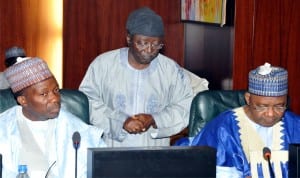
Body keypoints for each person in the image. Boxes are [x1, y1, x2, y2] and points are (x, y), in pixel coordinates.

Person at [79, 7, 194, 147]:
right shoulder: (103, 65)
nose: (149, 50)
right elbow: (86, 101)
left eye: (156, 44)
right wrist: (121, 121)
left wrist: (155, 119)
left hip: (154, 153)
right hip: (111, 150)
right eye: (143, 43)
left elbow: (186, 105)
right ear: (129, 39)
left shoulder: (171, 70)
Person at [185, 62, 300, 178]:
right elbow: (201, 170)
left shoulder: (296, 125)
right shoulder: (223, 129)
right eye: (262, 106)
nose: (271, 114)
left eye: (279, 106)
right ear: (248, 99)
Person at [0, 57, 106, 177]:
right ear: (23, 100)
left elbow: (102, 170)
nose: (55, 98)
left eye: (56, 90)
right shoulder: (3, 129)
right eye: (44, 94)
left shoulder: (80, 131)